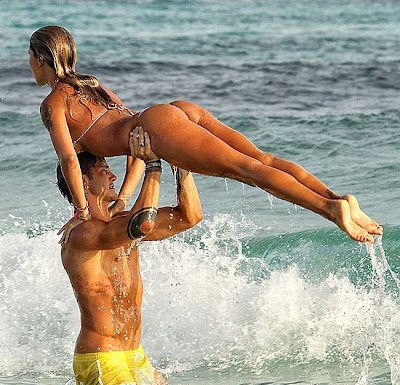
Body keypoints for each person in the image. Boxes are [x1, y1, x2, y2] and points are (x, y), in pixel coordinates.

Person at [29, 25, 382, 244]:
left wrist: (80, 212)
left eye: (29, 58)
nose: (28, 65)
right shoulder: (92, 84)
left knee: (248, 170)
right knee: (262, 160)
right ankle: (339, 199)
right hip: (169, 113)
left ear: (41, 59)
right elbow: (137, 138)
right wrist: (122, 199)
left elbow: (69, 161)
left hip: (161, 125)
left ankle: (330, 209)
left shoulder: (52, 105)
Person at [58, 130, 202, 385]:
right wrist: (153, 165)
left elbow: (189, 216)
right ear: (84, 181)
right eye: (104, 170)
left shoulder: (120, 225)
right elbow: (142, 225)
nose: (113, 176)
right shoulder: (82, 233)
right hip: (103, 358)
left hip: (134, 354)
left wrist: (181, 166)